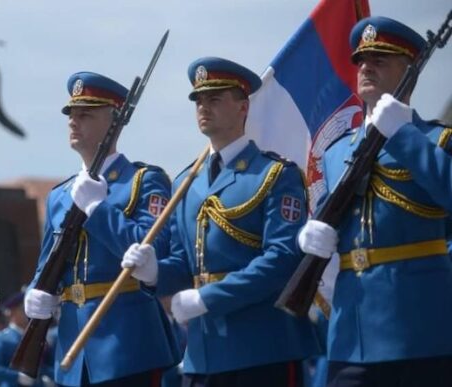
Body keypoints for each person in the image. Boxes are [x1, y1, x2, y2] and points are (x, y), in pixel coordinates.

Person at [122, 57, 320, 387]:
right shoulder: (187, 182)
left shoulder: (274, 175)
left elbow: (282, 259)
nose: (203, 107)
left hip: (261, 349)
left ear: (243, 106)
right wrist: (155, 272)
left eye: (215, 98)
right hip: (204, 353)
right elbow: (186, 261)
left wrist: (206, 299)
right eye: (199, 100)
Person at [296, 16, 452, 386]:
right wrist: (308, 235)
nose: (365, 67)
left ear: (409, 70)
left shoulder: (435, 141)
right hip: (351, 334)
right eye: (361, 61)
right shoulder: (335, 154)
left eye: (380, 59)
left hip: (418, 331)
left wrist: (403, 135)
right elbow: (331, 219)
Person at [23, 71, 180, 386]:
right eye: (71, 114)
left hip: (127, 347)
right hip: (73, 353)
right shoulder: (59, 196)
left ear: (114, 122)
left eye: (85, 114)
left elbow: (152, 249)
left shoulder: (143, 181)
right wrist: (35, 294)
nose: (73, 121)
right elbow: (47, 268)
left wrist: (97, 209)